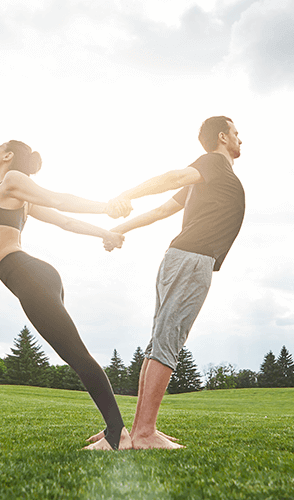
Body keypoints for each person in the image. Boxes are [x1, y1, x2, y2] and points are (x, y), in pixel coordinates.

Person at [90, 116, 245, 449]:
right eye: (236, 133)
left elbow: (162, 211)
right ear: (222, 137)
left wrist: (119, 230)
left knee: (159, 341)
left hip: (180, 259)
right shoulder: (214, 163)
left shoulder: (210, 176)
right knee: (167, 341)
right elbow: (172, 177)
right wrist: (126, 194)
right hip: (191, 260)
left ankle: (139, 429)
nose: (240, 140)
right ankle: (145, 433)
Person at [0, 139, 133, 450]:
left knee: (75, 353)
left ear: (8, 156)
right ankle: (114, 429)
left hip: (28, 275)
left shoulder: (14, 180)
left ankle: (117, 435)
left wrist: (106, 208)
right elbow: (66, 222)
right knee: (73, 353)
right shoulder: (13, 191)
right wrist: (105, 233)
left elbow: (60, 203)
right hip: (28, 276)